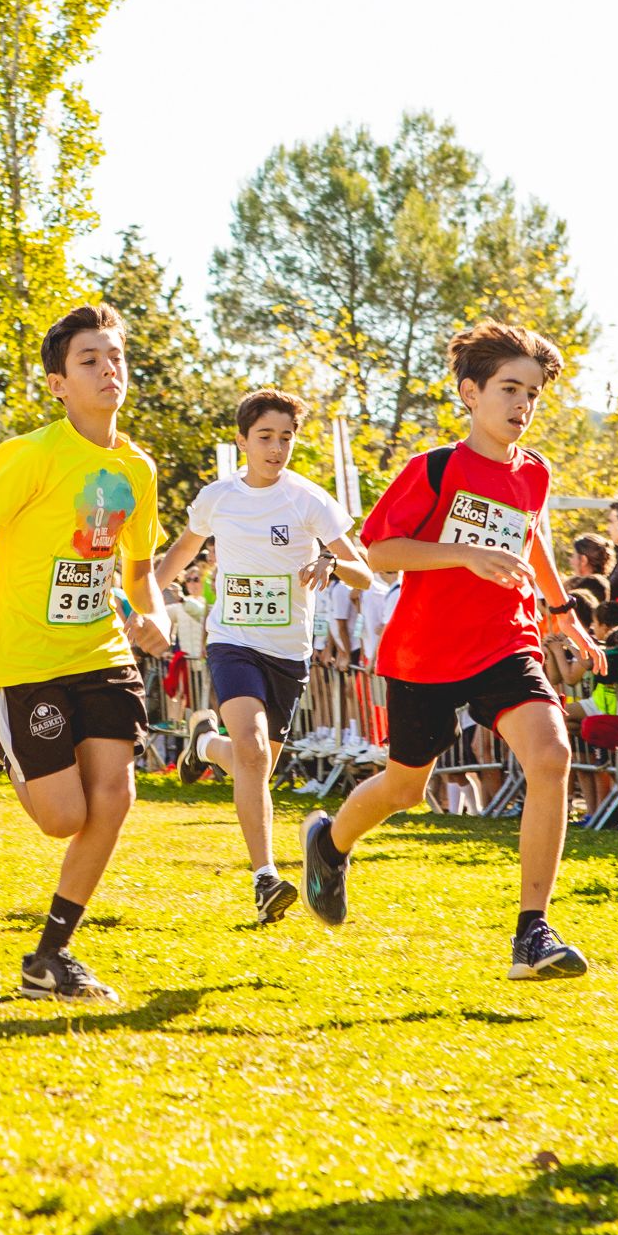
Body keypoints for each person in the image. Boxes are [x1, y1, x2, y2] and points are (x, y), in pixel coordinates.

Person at [299, 321, 603, 980]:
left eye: (533, 393)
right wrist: (464, 554)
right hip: (424, 652)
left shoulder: (535, 473)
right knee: (405, 788)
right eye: (508, 389)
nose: (522, 405)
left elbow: (530, 538)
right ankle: (329, 840)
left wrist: (560, 614)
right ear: (470, 392)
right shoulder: (433, 468)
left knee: (551, 754)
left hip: (504, 639)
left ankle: (533, 933)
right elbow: (379, 552)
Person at [0, 302, 172, 1006]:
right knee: (62, 815)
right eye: (89, 360)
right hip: (23, 656)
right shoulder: (30, 454)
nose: (107, 369)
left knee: (113, 799)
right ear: (58, 383)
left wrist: (150, 613)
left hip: (100, 648)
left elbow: (138, 567)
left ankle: (50, 955)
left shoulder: (136, 468)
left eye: (114, 356)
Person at [154, 388, 375, 923]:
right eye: (265, 438)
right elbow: (184, 550)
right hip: (232, 641)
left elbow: (365, 572)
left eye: (286, 438)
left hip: (288, 654)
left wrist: (331, 563)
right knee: (252, 753)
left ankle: (204, 743)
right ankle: (265, 878)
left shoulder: (309, 500)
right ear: (242, 440)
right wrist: (144, 601)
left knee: (250, 763)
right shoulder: (218, 498)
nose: (276, 448)